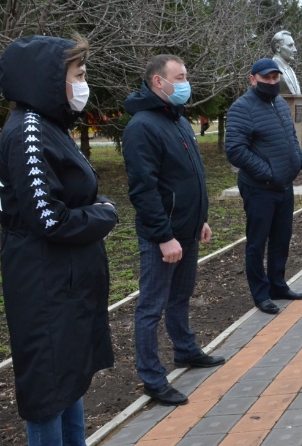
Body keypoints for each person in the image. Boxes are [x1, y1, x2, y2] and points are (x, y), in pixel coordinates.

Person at [0, 34, 118, 445]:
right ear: (49, 79)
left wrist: (93, 208)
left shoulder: (49, 126)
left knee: (69, 381)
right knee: (48, 391)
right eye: (78, 75)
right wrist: (103, 214)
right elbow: (49, 217)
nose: (84, 84)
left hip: (63, 283)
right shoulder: (29, 131)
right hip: (44, 287)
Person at [122, 54, 225, 406]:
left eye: (185, 76)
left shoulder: (177, 120)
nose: (185, 83)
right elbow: (143, 190)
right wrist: (164, 236)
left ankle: (185, 350)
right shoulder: (142, 126)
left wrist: (201, 219)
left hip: (188, 229)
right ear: (158, 82)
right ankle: (152, 377)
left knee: (181, 296)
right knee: (151, 306)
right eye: (179, 77)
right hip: (161, 237)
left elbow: (190, 176)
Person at [226, 59, 302, 315]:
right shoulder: (242, 108)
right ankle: (260, 294)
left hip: (284, 186)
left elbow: (291, 136)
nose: (272, 83)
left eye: (275, 78)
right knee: (257, 242)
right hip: (259, 188)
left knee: (281, 239)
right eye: (266, 78)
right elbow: (235, 150)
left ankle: (278, 285)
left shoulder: (280, 103)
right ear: (252, 79)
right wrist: (267, 173)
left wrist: (297, 160)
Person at [271, 30, 301, 95]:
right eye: (290, 46)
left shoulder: (290, 69)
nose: (295, 50)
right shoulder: (273, 69)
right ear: (277, 47)